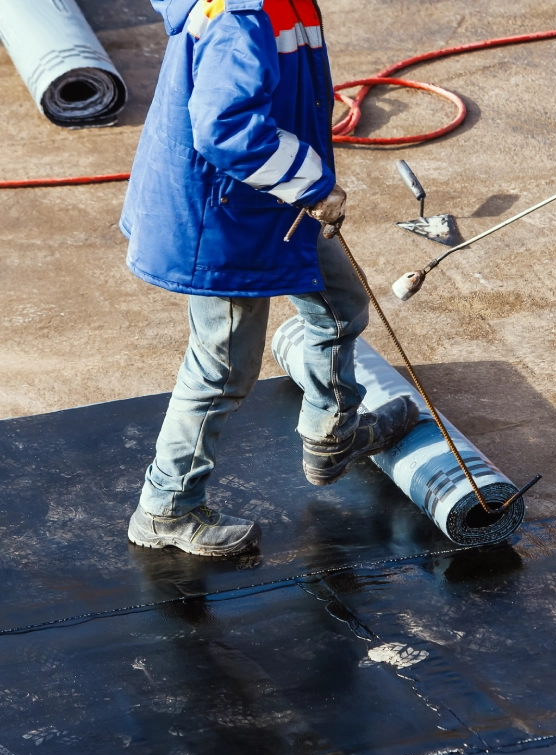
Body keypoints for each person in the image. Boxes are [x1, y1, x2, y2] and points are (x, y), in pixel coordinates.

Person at [120, 0, 418, 556]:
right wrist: (312, 185)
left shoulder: (275, 4)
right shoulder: (240, 18)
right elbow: (226, 128)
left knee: (340, 305)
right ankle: (165, 508)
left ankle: (332, 435)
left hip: (267, 198)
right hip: (225, 220)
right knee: (221, 369)